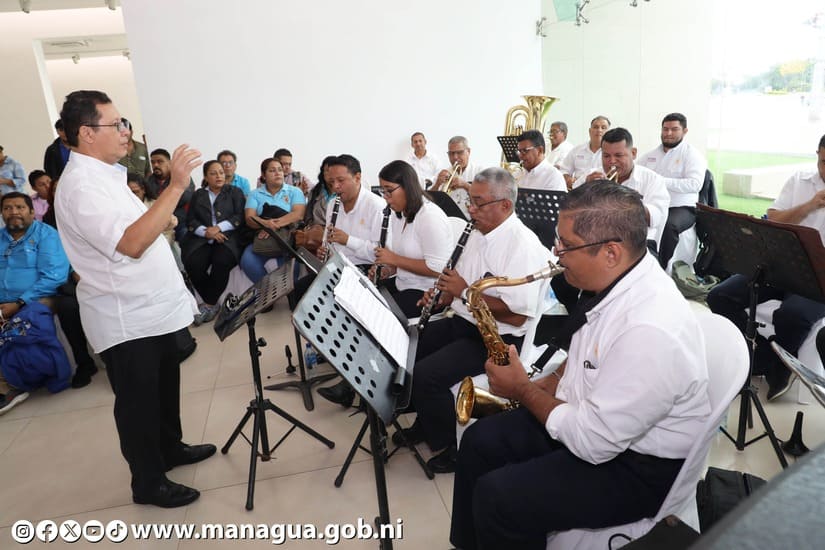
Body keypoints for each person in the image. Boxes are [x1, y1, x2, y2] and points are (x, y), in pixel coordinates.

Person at [450, 182, 710, 550]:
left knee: (500, 499)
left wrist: (523, 390)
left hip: (638, 467)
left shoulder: (650, 330)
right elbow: (590, 353)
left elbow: (593, 443)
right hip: (597, 423)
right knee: (479, 441)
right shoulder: (616, 280)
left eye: (566, 245)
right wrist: (552, 380)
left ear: (610, 252)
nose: (556, 253)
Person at [55, 90, 214, 508]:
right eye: (117, 124)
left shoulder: (106, 174)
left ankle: (170, 448)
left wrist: (162, 215)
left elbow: (136, 225)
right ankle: (148, 482)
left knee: (164, 389)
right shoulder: (81, 186)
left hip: (151, 309)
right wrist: (176, 186)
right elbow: (130, 243)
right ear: (87, 133)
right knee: (138, 404)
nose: (126, 131)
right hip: (126, 317)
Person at [394, 167, 553, 474]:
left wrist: (463, 292)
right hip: (467, 320)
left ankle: (452, 446)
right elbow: (459, 285)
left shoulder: (522, 245)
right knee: (410, 346)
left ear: (505, 205)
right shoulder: (478, 233)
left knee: (427, 375)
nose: (471, 209)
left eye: (478, 203)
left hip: (499, 339)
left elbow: (518, 313)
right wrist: (443, 296)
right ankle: (426, 420)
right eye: (470, 201)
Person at [707, 134, 825, 401]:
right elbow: (773, 219)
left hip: (820, 276)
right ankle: (761, 356)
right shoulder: (800, 180)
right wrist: (810, 206)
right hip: (783, 263)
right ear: (817, 154)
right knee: (719, 295)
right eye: (824, 162)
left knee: (792, 315)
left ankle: (780, 367)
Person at [308, 154, 389, 408]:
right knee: (305, 294)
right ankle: (334, 353)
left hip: (367, 269)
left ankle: (351, 384)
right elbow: (329, 239)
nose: (335, 187)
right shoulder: (334, 204)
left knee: (345, 309)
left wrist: (348, 240)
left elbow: (381, 252)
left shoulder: (376, 206)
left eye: (341, 181)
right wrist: (325, 248)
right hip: (341, 267)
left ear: (358, 177)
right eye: (331, 182)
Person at [0, 192, 72, 413]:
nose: (13, 212)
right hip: (4, 303)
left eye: (19, 207)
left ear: (32, 212)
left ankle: (12, 386)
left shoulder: (46, 235)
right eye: (7, 208)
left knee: (24, 325)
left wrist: (19, 302)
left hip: (39, 298)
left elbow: (54, 276)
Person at [372, 160, 452, 316]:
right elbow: (405, 258)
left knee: (376, 315)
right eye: (383, 191)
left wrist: (394, 259)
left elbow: (439, 269)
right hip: (403, 283)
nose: (386, 197)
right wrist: (388, 270)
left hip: (426, 292)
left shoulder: (430, 217)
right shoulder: (399, 214)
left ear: (407, 187)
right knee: (363, 298)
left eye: (389, 191)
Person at [576, 128, 670, 253]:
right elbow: (571, 208)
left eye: (618, 155)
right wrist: (586, 189)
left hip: (637, 245)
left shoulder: (652, 180)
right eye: (606, 156)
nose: (612, 162)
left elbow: (656, 218)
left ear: (633, 153)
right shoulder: (592, 175)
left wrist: (625, 200)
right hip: (596, 241)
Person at [639, 113, 707, 268]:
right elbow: (636, 172)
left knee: (669, 226)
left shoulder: (692, 155)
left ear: (685, 131)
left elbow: (695, 184)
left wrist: (660, 181)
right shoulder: (650, 156)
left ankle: (659, 268)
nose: (668, 133)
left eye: (674, 129)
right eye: (665, 129)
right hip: (654, 204)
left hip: (681, 207)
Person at [182, 160, 246, 324]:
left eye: (221, 172)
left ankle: (209, 304)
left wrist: (218, 228)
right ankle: (213, 303)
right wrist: (206, 232)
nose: (219, 176)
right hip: (202, 238)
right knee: (193, 263)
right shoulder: (198, 194)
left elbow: (239, 217)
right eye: (213, 173)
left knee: (222, 261)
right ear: (205, 177)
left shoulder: (234, 192)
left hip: (228, 237)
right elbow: (191, 220)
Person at [239, 158, 306, 283]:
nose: (278, 173)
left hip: (288, 238)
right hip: (263, 237)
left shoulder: (295, 191)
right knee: (248, 262)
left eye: (280, 170)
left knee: (292, 268)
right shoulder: (254, 194)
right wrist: (265, 224)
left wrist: (273, 226)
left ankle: (289, 294)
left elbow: (298, 214)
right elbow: (249, 218)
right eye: (272, 170)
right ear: (264, 175)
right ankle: (268, 290)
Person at [146, 148, 195, 242]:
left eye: (160, 161)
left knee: (186, 237)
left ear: (170, 163)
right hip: (157, 223)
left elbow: (185, 197)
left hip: (180, 221)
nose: (155, 165)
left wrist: (161, 201)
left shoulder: (181, 176)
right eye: (153, 162)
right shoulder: (148, 181)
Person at [431, 136, 481, 219]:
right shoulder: (444, 173)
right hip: (447, 218)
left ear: (468, 151)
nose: (455, 157)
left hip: (471, 219)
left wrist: (465, 185)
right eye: (451, 153)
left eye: (459, 152)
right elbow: (429, 200)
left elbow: (485, 198)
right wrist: (437, 184)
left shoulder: (479, 172)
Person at [558, 116, 610, 189]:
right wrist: (568, 179)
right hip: (578, 190)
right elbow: (564, 170)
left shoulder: (611, 153)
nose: (599, 130)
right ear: (590, 131)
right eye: (596, 127)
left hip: (603, 191)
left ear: (608, 132)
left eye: (603, 127)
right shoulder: (577, 150)